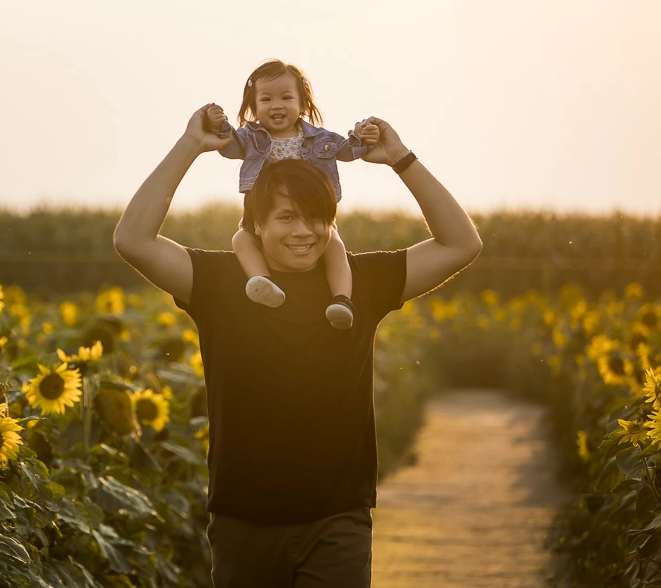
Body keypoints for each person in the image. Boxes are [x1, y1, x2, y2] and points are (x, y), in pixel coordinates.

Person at [113, 103, 481, 588]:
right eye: (287, 217)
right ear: (257, 225)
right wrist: (190, 146)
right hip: (243, 522)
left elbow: (462, 244)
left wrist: (401, 159)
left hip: (337, 520)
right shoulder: (220, 282)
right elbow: (133, 240)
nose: (304, 231)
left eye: (316, 218)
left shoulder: (360, 281)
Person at [206, 59, 379, 329]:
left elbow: (346, 151)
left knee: (334, 245)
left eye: (286, 97)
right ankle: (263, 283)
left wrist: (363, 137)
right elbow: (228, 147)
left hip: (311, 210)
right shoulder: (250, 138)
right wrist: (219, 127)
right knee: (242, 238)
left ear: (303, 104)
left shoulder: (319, 138)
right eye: (266, 99)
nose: (276, 105)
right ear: (254, 107)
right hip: (262, 211)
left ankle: (342, 299)